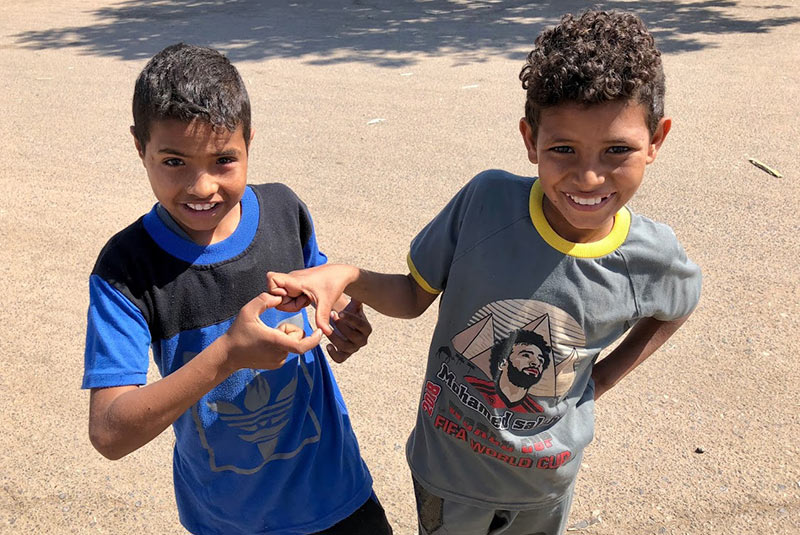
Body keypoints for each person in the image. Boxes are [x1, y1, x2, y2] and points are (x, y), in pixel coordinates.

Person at [266, 10, 702, 535]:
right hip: (448, 472)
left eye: (618, 150)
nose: (588, 176)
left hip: (546, 485)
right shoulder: (486, 203)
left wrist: (600, 379)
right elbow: (411, 295)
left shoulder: (652, 257)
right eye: (562, 149)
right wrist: (347, 275)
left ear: (657, 140)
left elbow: (677, 306)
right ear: (529, 138)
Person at [82, 43, 393, 535]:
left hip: (339, 497)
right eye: (173, 161)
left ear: (250, 141)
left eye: (224, 159)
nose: (202, 186)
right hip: (230, 521)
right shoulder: (126, 268)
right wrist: (227, 355)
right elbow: (110, 432)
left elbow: (318, 302)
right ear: (139, 147)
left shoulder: (285, 211)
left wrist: (339, 328)